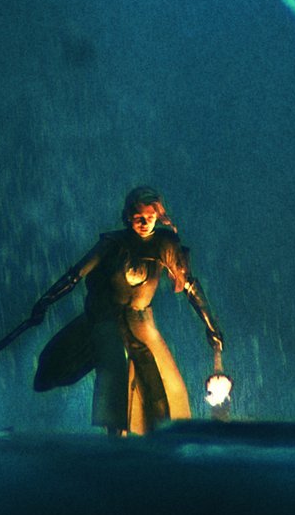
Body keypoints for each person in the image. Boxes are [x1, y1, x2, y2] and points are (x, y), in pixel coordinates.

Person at [28, 186, 225, 435]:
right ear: (128, 216)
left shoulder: (164, 245)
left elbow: (190, 287)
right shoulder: (112, 244)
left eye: (150, 217)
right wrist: (45, 301)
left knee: (162, 382)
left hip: (141, 321)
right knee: (114, 371)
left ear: (158, 216)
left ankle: (161, 435)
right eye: (138, 217)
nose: (144, 222)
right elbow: (75, 276)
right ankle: (116, 436)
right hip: (106, 318)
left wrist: (211, 325)